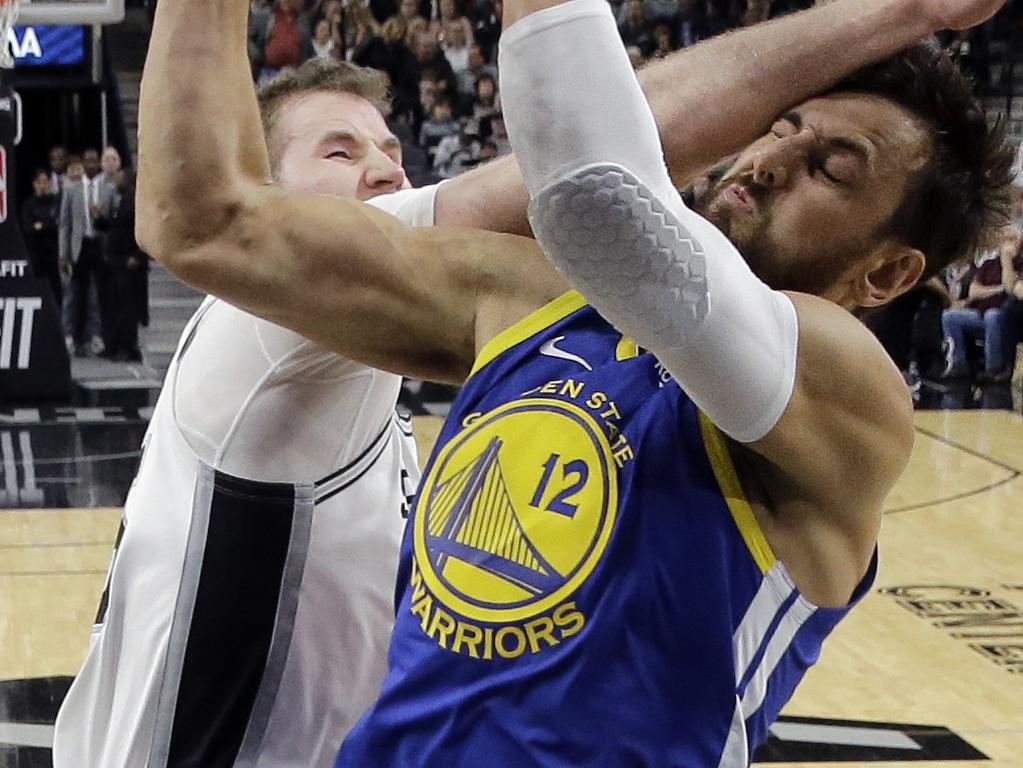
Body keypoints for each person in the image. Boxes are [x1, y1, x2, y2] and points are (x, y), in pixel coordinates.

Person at [136, 0, 1012, 765]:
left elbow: (599, 196)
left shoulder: (850, 392)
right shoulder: (525, 298)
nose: (768, 162)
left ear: (888, 275)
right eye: (779, 130)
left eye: (830, 168)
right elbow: (203, 223)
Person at [942, 225, 1023, 382]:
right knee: (950, 316)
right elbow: (974, 291)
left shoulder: (1019, 264)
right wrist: (999, 289)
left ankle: (993, 368)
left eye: (1012, 239)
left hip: (1003, 316)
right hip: (981, 312)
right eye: (1005, 239)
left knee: (992, 316)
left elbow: (1011, 287)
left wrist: (1007, 261)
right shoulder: (989, 264)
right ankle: (958, 364)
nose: (1007, 244)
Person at [58, 150, 116, 357]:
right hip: (78, 247)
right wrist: (63, 254)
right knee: (73, 295)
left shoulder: (108, 189)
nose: (91, 164)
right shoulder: (72, 190)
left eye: (94, 161)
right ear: (82, 164)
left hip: (99, 246)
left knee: (96, 295)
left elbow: (112, 221)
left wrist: (101, 218)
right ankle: (69, 336)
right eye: (88, 161)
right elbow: (65, 224)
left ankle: (95, 336)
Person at [93, 170, 146, 361]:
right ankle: (114, 345)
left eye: (120, 178)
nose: (116, 181)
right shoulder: (120, 200)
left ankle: (128, 347)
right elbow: (112, 226)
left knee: (127, 308)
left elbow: (141, 230)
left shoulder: (135, 201)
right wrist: (98, 219)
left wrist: (137, 255)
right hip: (115, 261)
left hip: (129, 262)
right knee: (114, 305)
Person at [21, 168, 62, 306]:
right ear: (34, 184)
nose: (43, 185)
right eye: (40, 182)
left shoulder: (56, 202)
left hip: (54, 253)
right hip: (36, 253)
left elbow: (59, 225)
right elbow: (28, 229)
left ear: (50, 183)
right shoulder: (28, 204)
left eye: (45, 182)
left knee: (56, 286)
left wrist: (41, 226)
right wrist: (48, 225)